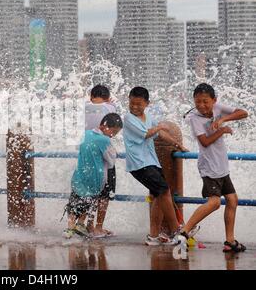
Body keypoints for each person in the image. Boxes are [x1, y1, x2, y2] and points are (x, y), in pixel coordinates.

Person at [179, 83, 248, 252]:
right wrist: (222, 130)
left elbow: (243, 113)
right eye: (198, 102)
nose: (202, 106)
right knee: (215, 202)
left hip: (222, 166)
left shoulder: (218, 108)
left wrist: (223, 118)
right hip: (209, 167)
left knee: (232, 200)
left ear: (214, 100)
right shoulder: (195, 118)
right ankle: (184, 231)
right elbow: (205, 142)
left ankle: (229, 241)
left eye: (205, 102)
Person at [123, 86, 188, 246]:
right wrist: (159, 127)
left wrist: (177, 144)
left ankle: (153, 236)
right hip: (139, 164)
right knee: (165, 191)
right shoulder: (128, 118)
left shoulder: (148, 117)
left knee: (159, 196)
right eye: (132, 104)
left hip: (152, 162)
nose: (135, 107)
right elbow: (147, 133)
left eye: (139, 104)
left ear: (147, 103)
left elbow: (160, 134)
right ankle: (176, 231)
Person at [63, 113, 123, 239]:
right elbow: (111, 160)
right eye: (113, 132)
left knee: (75, 200)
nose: (112, 135)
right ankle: (80, 225)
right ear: (104, 126)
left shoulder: (85, 134)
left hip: (79, 174)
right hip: (96, 177)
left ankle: (70, 228)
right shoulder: (105, 140)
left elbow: (78, 147)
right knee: (91, 201)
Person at [85, 85, 117, 237]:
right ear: (107, 97)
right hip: (104, 156)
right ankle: (98, 227)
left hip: (86, 157)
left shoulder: (84, 107)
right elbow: (115, 123)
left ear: (91, 96)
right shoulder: (109, 108)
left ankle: (88, 225)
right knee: (104, 194)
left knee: (90, 193)